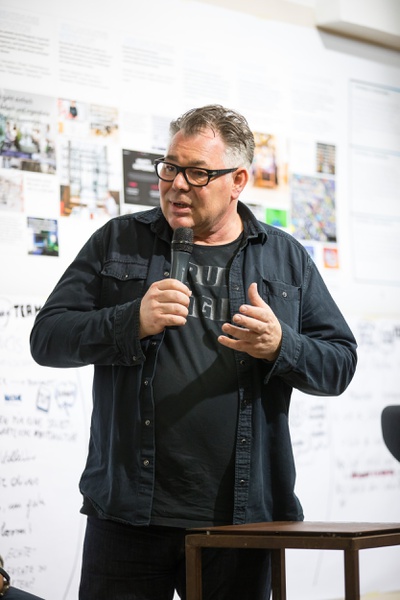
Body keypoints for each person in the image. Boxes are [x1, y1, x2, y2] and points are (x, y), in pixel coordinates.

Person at [30, 104, 357, 600]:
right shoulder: (120, 240)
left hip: (241, 523)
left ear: (238, 180)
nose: (176, 185)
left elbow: (339, 364)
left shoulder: (284, 257)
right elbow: (48, 338)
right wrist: (130, 320)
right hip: (128, 515)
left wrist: (281, 346)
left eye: (198, 173)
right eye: (170, 167)